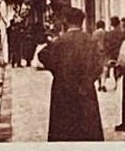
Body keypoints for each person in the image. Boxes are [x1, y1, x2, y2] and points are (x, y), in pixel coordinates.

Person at [37, 7, 104, 141]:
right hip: (85, 89)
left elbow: (42, 55)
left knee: (64, 129)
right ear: (82, 22)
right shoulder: (90, 41)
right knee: (87, 128)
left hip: (63, 88)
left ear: (66, 21)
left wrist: (56, 71)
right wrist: (89, 79)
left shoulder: (60, 42)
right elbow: (98, 66)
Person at [103, 16, 124, 88]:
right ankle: (117, 83)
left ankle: (109, 83)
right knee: (119, 68)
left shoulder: (109, 34)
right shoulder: (122, 33)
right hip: (120, 53)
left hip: (111, 53)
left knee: (110, 67)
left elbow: (106, 44)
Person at [91, 20, 109, 92]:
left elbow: (92, 42)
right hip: (105, 51)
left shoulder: (94, 33)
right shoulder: (106, 33)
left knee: (98, 67)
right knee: (105, 67)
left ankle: (99, 84)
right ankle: (103, 84)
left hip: (97, 51)